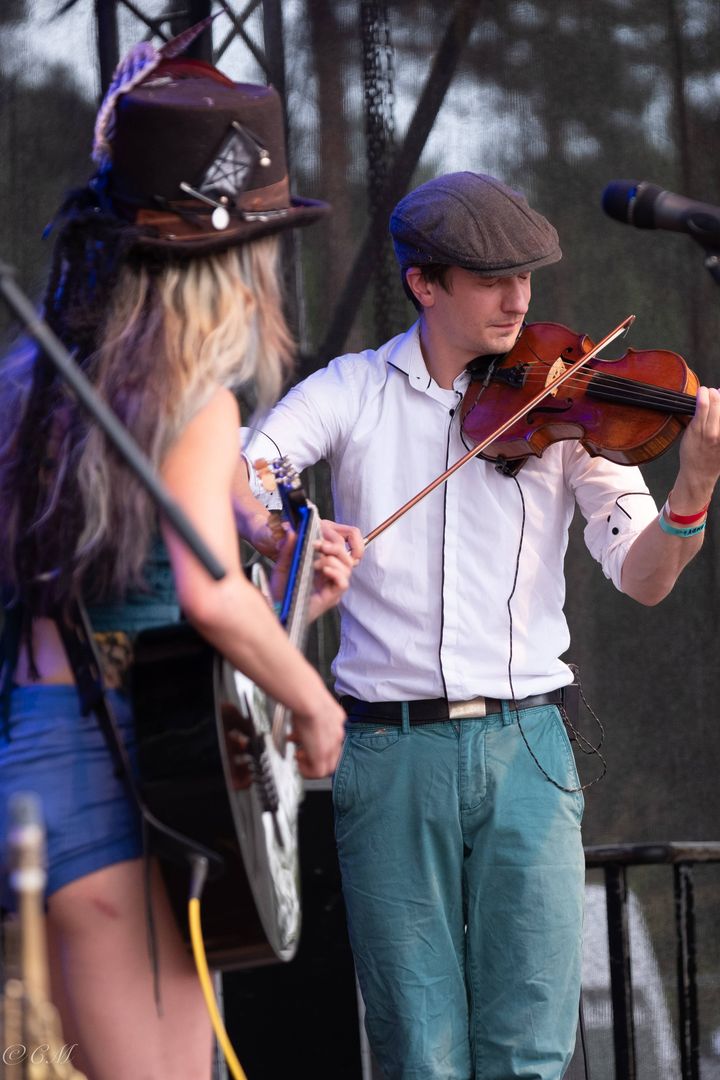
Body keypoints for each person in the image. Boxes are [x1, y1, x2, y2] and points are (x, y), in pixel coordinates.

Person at [237, 171, 720, 1080]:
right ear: (425, 284)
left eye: (527, 277)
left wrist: (692, 489)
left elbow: (645, 578)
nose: (519, 300)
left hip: (528, 744)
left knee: (530, 1049)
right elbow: (243, 471)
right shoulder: (352, 390)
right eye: (493, 280)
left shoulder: (570, 401)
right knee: (417, 1051)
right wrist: (287, 531)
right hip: (388, 750)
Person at [0, 39, 361, 1080]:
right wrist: (314, 703)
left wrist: (287, 613)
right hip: (116, 780)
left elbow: (162, 636)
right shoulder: (193, 397)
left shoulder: (37, 388)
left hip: (49, 752)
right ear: (237, 259)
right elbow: (206, 600)